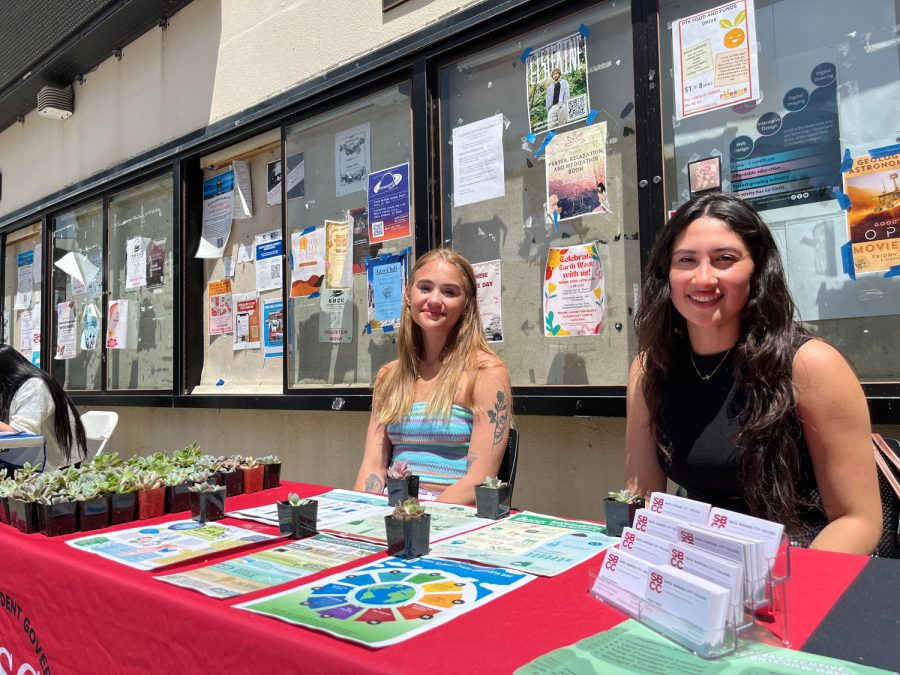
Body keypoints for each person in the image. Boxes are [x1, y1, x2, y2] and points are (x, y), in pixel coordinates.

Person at [625, 194, 881, 553]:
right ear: (666, 273)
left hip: (797, 565)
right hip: (698, 567)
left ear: (757, 269)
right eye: (686, 260)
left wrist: (784, 595)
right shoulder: (650, 368)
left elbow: (857, 519)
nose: (703, 278)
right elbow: (642, 500)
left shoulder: (811, 365)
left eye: (724, 259)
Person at [354, 249, 511, 505]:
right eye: (425, 288)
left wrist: (416, 518)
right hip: (392, 511)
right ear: (408, 295)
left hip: (450, 517)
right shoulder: (388, 377)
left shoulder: (486, 373)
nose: (435, 300)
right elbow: (372, 468)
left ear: (468, 304)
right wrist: (359, 516)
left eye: (449, 292)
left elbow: (480, 479)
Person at [0, 344, 87, 471]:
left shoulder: (35, 387)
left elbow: (22, 435)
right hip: (23, 461)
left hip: (56, 466)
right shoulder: (7, 389)